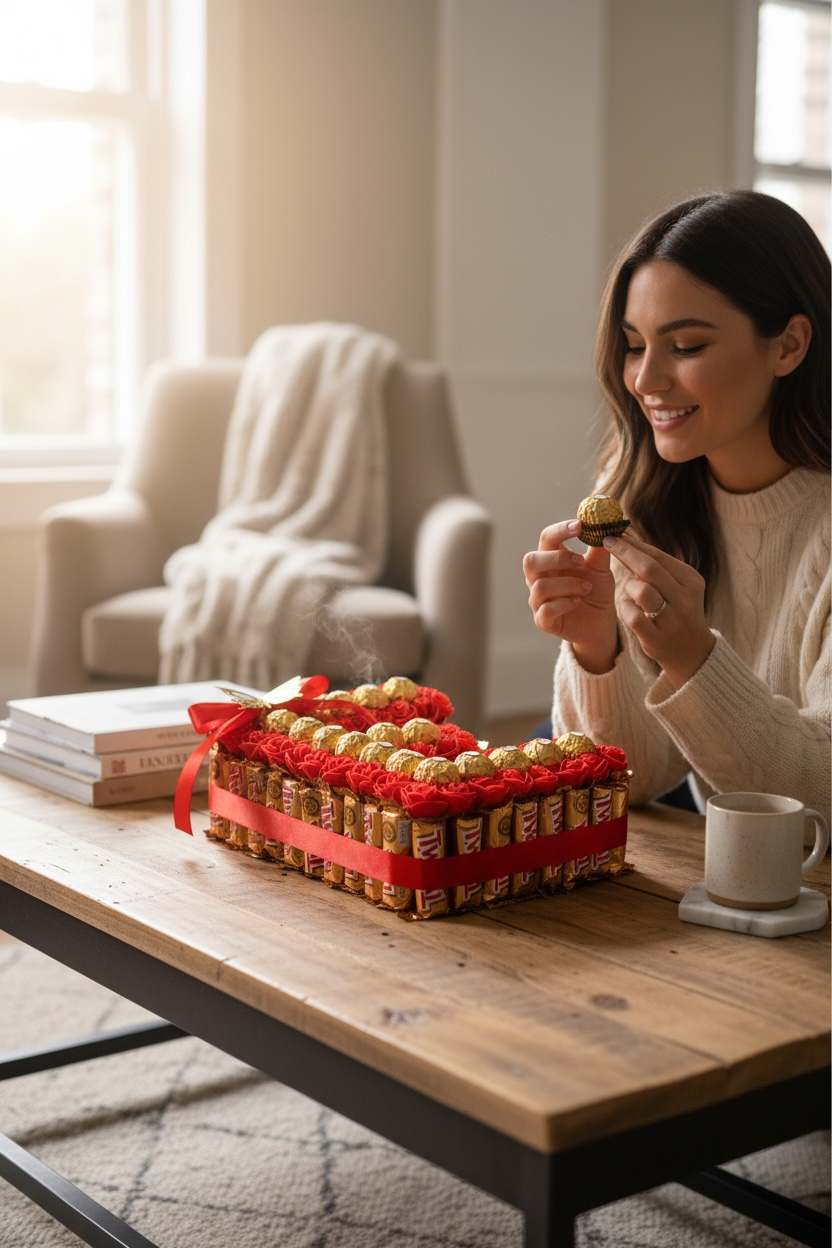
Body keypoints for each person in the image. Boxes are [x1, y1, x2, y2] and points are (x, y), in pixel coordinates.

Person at [523, 190, 830, 821]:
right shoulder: (643, 494)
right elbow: (632, 780)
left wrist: (692, 656)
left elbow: (823, 802)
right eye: (634, 344)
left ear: (789, 346)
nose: (645, 379)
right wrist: (596, 651)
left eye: (686, 345)